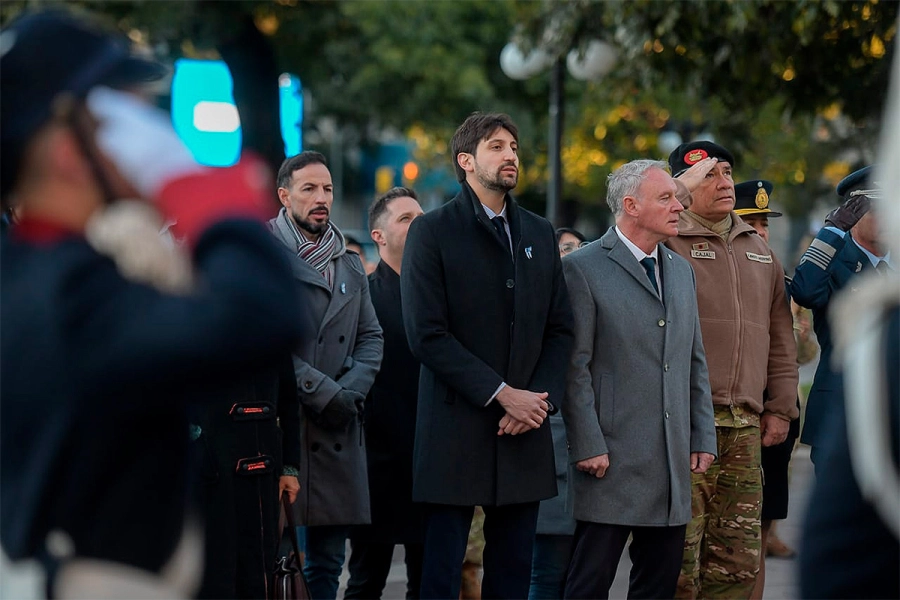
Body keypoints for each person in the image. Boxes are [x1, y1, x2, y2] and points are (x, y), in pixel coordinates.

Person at [0, 9, 306, 598]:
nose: (149, 127)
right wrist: (195, 188)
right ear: (69, 150)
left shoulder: (43, 274)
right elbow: (263, 315)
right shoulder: (68, 297)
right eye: (122, 113)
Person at [400, 112, 574, 599]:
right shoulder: (432, 231)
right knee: (442, 573)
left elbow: (560, 328)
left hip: (524, 429)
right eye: (496, 146)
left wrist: (537, 400)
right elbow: (426, 334)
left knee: (513, 573)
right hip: (455, 429)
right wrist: (502, 394)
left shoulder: (539, 232)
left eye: (513, 146)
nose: (510, 155)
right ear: (466, 160)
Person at [561, 160, 717, 599]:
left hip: (670, 460)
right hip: (610, 459)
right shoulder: (583, 267)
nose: (678, 206)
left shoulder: (681, 271)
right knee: (588, 584)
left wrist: (702, 434)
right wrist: (587, 443)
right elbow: (574, 367)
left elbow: (694, 360)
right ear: (631, 206)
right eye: (666, 198)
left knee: (658, 586)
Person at [665, 141, 799, 599]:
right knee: (678, 565)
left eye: (727, 172)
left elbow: (781, 337)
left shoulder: (758, 250)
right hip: (685, 425)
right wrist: (676, 196)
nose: (724, 183)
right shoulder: (666, 241)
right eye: (709, 175)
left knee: (737, 567)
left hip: (744, 428)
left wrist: (780, 407)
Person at [269, 150, 384, 600]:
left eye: (328, 189)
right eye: (310, 189)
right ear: (284, 196)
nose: (322, 198)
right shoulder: (262, 255)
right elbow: (264, 341)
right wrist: (323, 391)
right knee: (275, 563)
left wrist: (348, 394)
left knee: (328, 564)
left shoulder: (350, 263)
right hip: (282, 426)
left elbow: (372, 337)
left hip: (338, 425)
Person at [345, 187, 426, 600]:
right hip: (376, 464)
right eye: (406, 218)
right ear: (378, 235)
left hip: (430, 463)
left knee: (430, 584)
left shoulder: (439, 295)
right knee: (366, 581)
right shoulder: (363, 297)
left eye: (421, 217)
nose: (419, 224)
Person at [790, 166, 892, 468]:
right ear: (853, 212)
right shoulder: (833, 261)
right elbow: (805, 291)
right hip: (843, 408)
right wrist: (833, 230)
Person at [733, 180, 806, 598]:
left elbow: (796, 349)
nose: (760, 231)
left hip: (774, 412)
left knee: (758, 534)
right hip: (731, 411)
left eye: (764, 223)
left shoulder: (779, 275)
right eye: (751, 223)